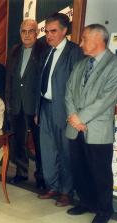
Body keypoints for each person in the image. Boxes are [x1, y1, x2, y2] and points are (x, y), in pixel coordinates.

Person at [65, 24, 117, 223]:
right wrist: (74, 117)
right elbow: (68, 93)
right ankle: (86, 202)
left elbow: (106, 99)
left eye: (84, 39)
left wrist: (81, 118)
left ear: (98, 40)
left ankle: (104, 209)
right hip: (76, 128)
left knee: (100, 172)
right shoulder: (81, 64)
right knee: (79, 168)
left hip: (98, 130)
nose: (80, 42)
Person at [35, 13, 83, 207]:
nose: (49, 35)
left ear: (65, 31)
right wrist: (38, 110)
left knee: (65, 151)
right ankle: (52, 186)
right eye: (46, 31)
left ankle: (66, 191)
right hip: (45, 107)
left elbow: (77, 86)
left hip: (63, 110)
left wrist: (73, 113)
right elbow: (41, 82)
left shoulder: (74, 52)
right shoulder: (47, 51)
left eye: (53, 31)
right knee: (47, 150)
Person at [5, 19, 45, 188]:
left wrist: (40, 107)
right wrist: (8, 101)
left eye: (31, 31)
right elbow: (10, 78)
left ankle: (41, 177)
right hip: (16, 104)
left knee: (39, 143)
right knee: (18, 142)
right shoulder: (14, 50)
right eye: (24, 31)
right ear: (20, 32)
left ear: (37, 33)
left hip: (34, 105)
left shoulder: (43, 50)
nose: (27, 35)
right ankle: (21, 173)